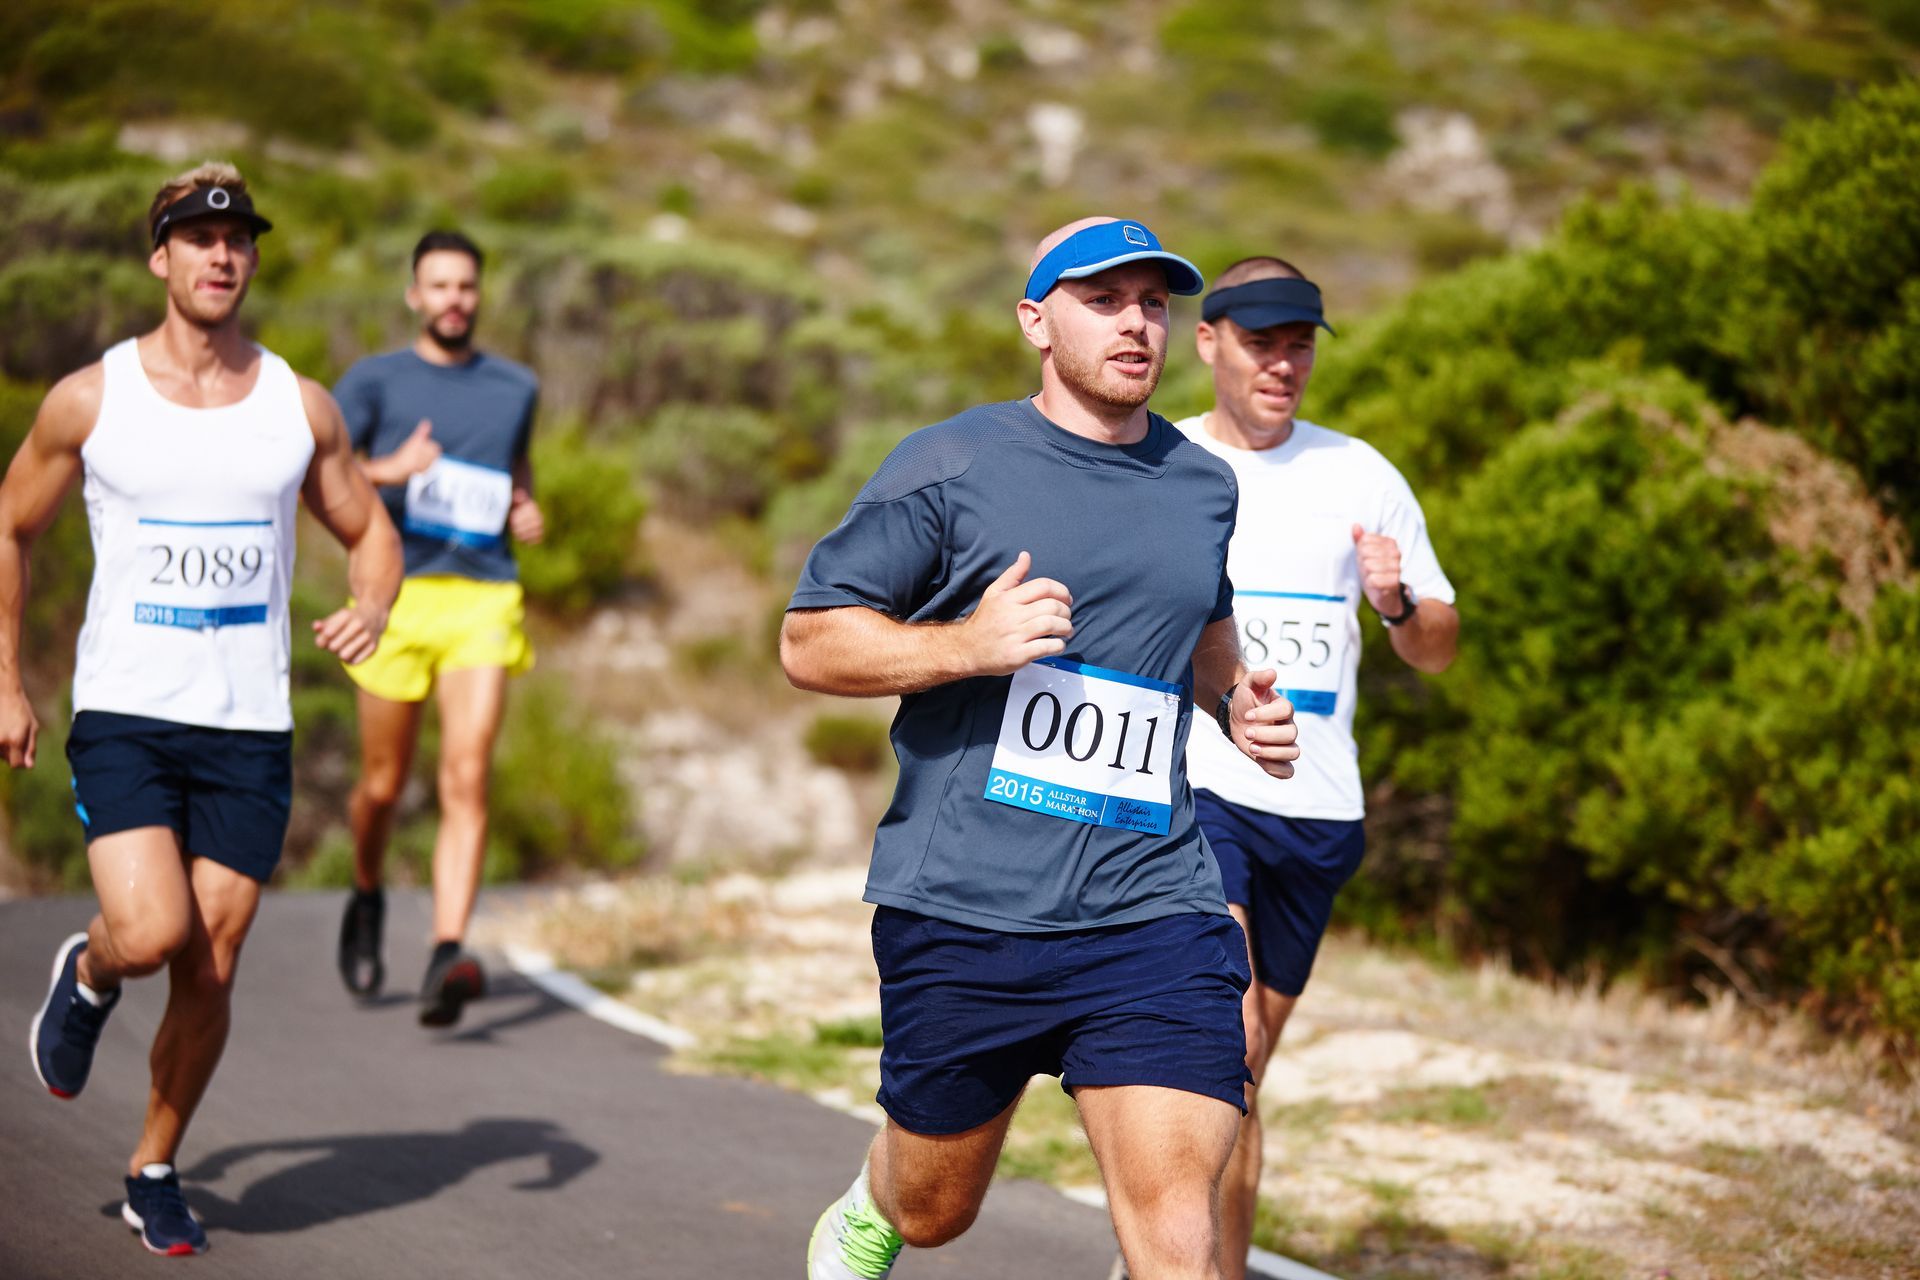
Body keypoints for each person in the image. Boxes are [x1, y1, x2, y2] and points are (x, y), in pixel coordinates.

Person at [784, 216, 1300, 1280]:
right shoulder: (952, 464)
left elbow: (1201, 621)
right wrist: (965, 644)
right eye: (1103, 299)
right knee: (936, 1208)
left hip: (1152, 901)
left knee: (1175, 1228)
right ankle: (874, 1199)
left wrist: (1231, 700)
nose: (1136, 323)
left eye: (1154, 303)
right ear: (1035, 319)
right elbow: (808, 640)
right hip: (969, 903)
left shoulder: (1202, 484)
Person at [9, 162, 402, 1257]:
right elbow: (10, 526)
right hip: (128, 707)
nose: (220, 254)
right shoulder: (92, 398)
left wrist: (372, 601)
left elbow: (369, 529)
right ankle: (88, 972)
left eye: (237, 240)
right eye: (196, 237)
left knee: (213, 959)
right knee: (150, 930)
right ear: (160, 257)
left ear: (253, 259)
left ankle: (153, 1165)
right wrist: (4, 677)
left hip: (248, 722)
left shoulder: (297, 405)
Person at [1177, 257, 1458, 1279]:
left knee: (1241, 1073)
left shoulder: (1362, 472)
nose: (1284, 361)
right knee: (1229, 1034)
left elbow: (1438, 642)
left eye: (1300, 342)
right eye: (1262, 340)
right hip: (1200, 788)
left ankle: (1182, 1246)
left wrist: (1392, 603)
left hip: (1319, 809)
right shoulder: (1161, 459)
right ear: (1207, 342)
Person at [329, 230, 543, 1028]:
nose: (454, 300)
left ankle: (445, 949)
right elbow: (326, 470)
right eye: (439, 286)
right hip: (395, 595)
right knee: (382, 786)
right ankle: (366, 888)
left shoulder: (515, 386)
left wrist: (525, 507)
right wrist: (390, 471)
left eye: (466, 287)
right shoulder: (374, 380)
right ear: (413, 295)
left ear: (479, 295)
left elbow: (514, 472)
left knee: (465, 776)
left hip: (484, 597)